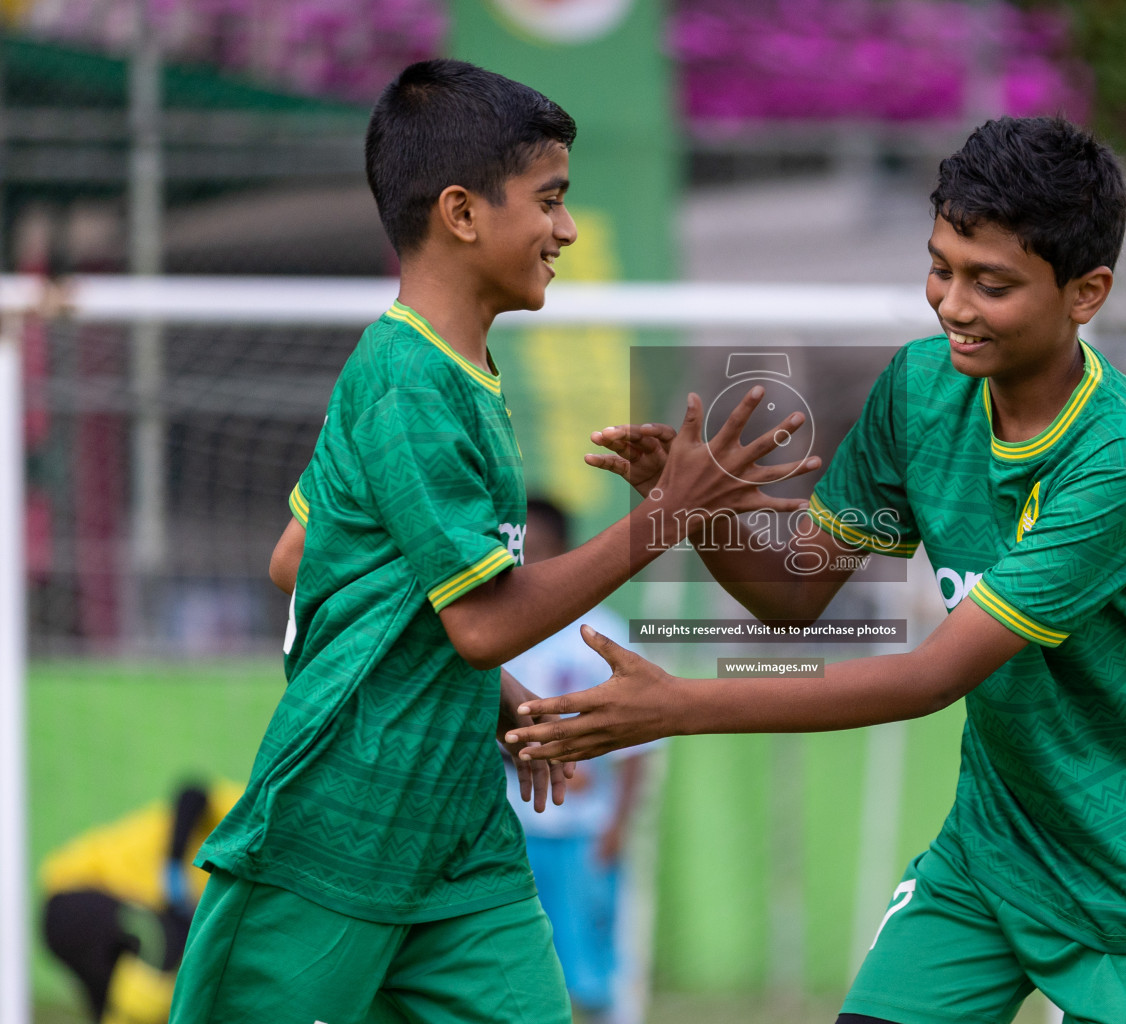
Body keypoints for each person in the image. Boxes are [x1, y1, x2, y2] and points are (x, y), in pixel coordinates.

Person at [510, 116, 1126, 1024]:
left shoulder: (1121, 456)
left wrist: (680, 706)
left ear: (1086, 292)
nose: (953, 303)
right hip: (1002, 839)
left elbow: (930, 677)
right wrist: (693, 502)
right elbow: (793, 593)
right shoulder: (920, 390)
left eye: (993, 283)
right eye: (942, 266)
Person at [169, 59, 809, 1024]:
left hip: (458, 844)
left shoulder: (461, 372)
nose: (568, 229)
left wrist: (504, 706)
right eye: (549, 200)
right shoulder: (408, 380)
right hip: (338, 831)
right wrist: (669, 514)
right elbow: (476, 621)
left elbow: (302, 559)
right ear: (463, 213)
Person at [502, 498, 654, 1023]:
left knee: (590, 965)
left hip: (582, 831)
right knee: (520, 964)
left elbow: (639, 746)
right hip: (510, 829)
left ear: (565, 552)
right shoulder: (495, 630)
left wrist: (618, 823)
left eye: (540, 552)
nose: (528, 566)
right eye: (520, 554)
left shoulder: (603, 634)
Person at [41, 780, 241, 1024]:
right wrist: (174, 872)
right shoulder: (247, 815)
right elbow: (193, 793)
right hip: (75, 898)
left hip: (94, 920)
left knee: (117, 1007)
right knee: (165, 947)